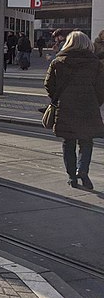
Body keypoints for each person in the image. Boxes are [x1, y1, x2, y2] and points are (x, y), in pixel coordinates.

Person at [44, 31, 104, 190]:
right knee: (86, 141)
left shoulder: (58, 62)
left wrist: (58, 98)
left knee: (68, 142)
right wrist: (95, 102)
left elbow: (48, 84)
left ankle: (72, 176)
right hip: (88, 107)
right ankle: (82, 170)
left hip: (66, 107)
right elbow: (101, 88)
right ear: (87, 44)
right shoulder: (96, 63)